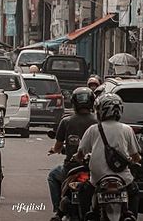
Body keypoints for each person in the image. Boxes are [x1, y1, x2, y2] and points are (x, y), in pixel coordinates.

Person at [76, 93, 141, 219]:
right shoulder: (127, 129)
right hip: (123, 179)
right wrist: (135, 161)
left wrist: (79, 159)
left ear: (100, 110)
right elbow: (135, 156)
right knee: (134, 191)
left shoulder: (93, 129)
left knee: (83, 192)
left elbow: (80, 153)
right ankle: (132, 216)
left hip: (97, 178)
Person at [47, 87, 97, 221]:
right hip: (95, 168)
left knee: (52, 176)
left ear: (74, 103)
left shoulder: (66, 121)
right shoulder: (98, 123)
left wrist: (54, 149)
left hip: (71, 168)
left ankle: (58, 210)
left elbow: (57, 147)